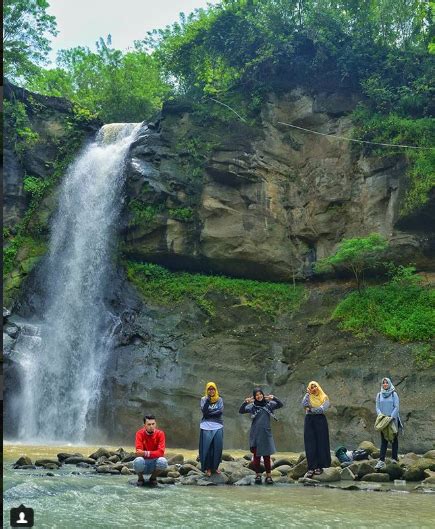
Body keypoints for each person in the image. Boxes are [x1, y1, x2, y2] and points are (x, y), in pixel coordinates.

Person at [239, 387, 283, 485]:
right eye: (256, 395)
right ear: (254, 397)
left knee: (267, 456)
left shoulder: (269, 405)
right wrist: (245, 402)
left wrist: (274, 398)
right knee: (256, 456)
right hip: (255, 433)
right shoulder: (252, 406)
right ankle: (258, 475)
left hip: (266, 434)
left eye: (260, 394)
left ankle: (268, 476)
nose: (259, 396)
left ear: (263, 395)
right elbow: (241, 411)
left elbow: (280, 404)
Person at [302, 381, 331, 478]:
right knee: (310, 443)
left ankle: (320, 466)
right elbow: (304, 404)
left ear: (318, 387)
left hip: (320, 421)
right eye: (312, 387)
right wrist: (307, 394)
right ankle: (311, 467)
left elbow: (322, 409)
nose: (314, 389)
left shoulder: (324, 397)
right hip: (309, 421)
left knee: (321, 443)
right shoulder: (308, 396)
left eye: (315, 387)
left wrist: (311, 410)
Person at [374, 377, 402, 469]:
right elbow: (377, 407)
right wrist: (381, 416)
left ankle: (394, 458)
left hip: (393, 420)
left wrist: (391, 417)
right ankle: (381, 460)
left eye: (386, 383)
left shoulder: (394, 394)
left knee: (394, 439)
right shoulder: (379, 395)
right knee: (384, 440)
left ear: (389, 384)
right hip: (383, 420)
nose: (385, 384)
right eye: (383, 383)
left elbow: (396, 407)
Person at [133, 414, 168, 486]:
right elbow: (139, 453)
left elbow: (161, 453)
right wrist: (154, 453)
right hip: (143, 463)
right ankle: (140, 478)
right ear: (144, 425)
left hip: (154, 463)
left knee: (163, 461)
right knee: (138, 460)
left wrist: (145, 453)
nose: (151, 426)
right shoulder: (139, 433)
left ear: (156, 424)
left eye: (153, 424)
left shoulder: (160, 434)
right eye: (149, 424)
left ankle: (153, 478)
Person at [199, 381, 224, 477]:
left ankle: (215, 467)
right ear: (207, 390)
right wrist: (208, 401)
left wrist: (210, 413)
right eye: (209, 389)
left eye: (213, 389)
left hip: (218, 425)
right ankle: (208, 468)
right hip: (206, 425)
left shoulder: (220, 399)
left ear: (215, 389)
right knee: (207, 448)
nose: (211, 391)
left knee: (217, 447)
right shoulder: (203, 399)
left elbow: (220, 412)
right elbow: (204, 412)